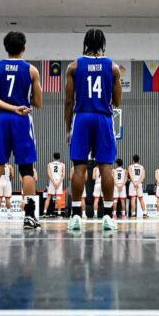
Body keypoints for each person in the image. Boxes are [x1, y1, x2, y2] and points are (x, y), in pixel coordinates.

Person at [0, 31, 42, 229]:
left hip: (1, 118)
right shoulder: (31, 70)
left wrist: (8, 106)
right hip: (22, 118)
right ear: (23, 49)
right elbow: (38, 102)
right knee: (26, 169)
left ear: (5, 48)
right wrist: (20, 103)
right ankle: (30, 216)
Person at [65, 28, 122, 231]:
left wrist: (67, 127)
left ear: (85, 43)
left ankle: (76, 216)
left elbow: (69, 101)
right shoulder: (113, 68)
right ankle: (107, 215)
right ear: (103, 44)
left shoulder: (73, 66)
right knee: (106, 168)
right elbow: (117, 100)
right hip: (103, 118)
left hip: (82, 117)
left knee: (79, 167)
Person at [43, 152, 66, 217]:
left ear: (53, 157)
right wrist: (58, 183)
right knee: (58, 197)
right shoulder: (62, 164)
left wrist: (53, 182)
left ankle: (44, 213)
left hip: (52, 182)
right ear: (59, 157)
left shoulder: (49, 164)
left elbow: (49, 175)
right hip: (59, 182)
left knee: (49, 197)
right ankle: (59, 213)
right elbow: (63, 175)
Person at [128, 154, 146, 218]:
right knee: (141, 199)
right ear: (139, 160)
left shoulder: (130, 166)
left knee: (133, 198)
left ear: (133, 160)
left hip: (133, 184)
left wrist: (134, 183)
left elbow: (130, 175)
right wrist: (138, 183)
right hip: (139, 184)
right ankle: (145, 213)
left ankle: (133, 214)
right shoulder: (142, 167)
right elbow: (143, 176)